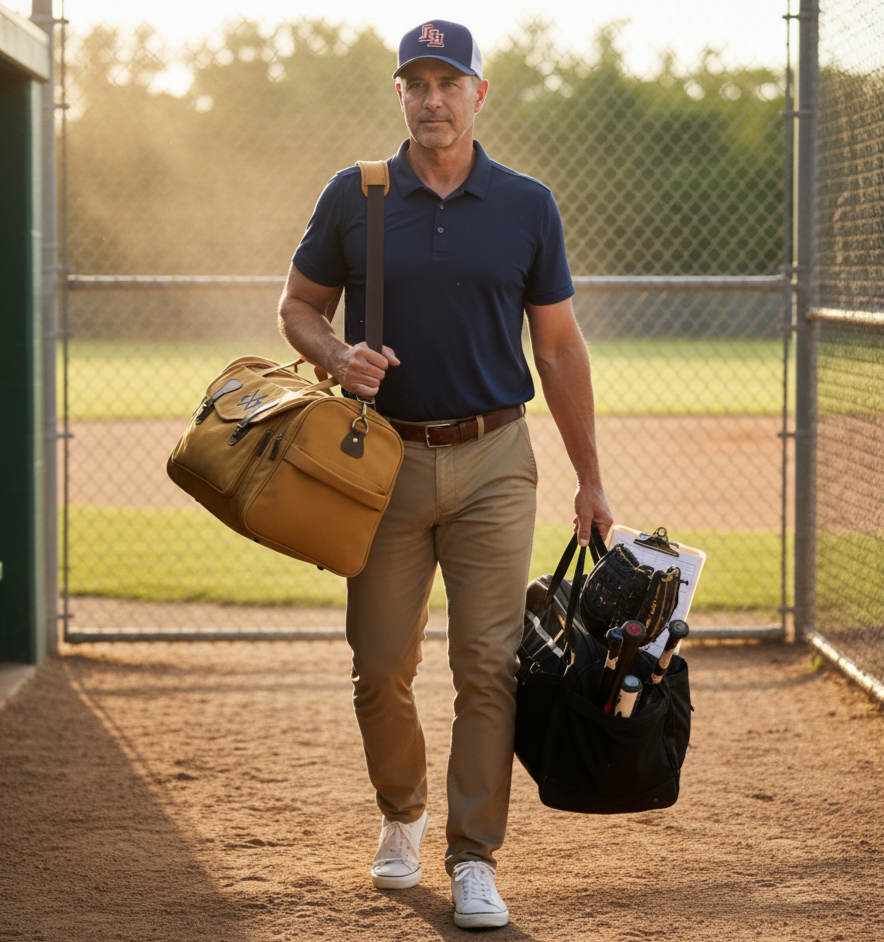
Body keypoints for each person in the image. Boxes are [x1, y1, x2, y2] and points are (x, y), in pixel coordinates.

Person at [278, 18, 612, 929]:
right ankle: (403, 814)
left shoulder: (527, 204)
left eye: (448, 82)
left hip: (498, 459)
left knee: (485, 666)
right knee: (379, 666)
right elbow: (298, 307)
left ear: (477, 94)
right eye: (415, 83)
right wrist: (335, 354)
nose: (432, 99)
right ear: (399, 94)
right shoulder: (357, 195)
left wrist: (590, 478)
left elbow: (558, 345)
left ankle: (473, 855)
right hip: (380, 465)